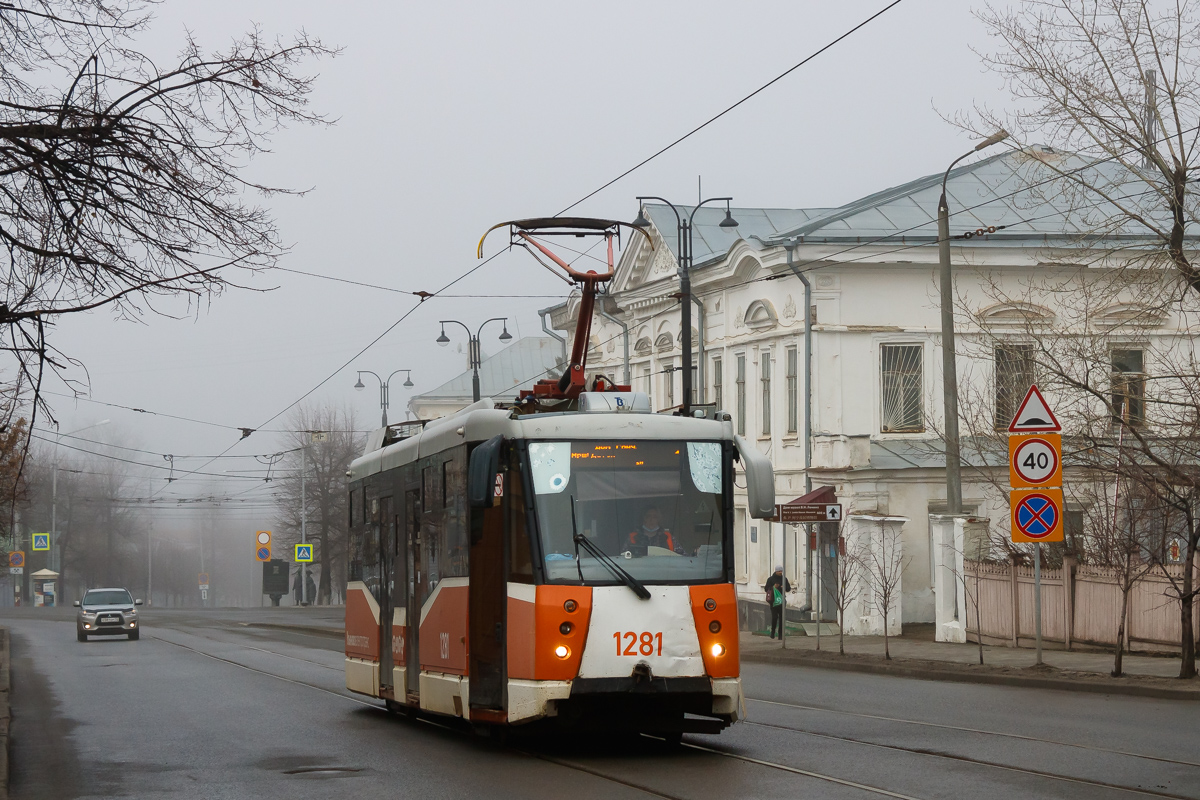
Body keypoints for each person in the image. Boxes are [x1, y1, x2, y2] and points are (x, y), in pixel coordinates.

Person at [764, 566, 791, 639]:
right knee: (774, 617)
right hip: (773, 601)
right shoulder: (770, 579)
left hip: (782, 601)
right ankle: (772, 633)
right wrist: (773, 587)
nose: (780, 572)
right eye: (779, 571)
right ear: (776, 571)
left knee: (782, 618)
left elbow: (788, 589)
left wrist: (784, 587)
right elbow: (766, 589)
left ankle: (780, 635)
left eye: (781, 571)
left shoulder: (784, 579)